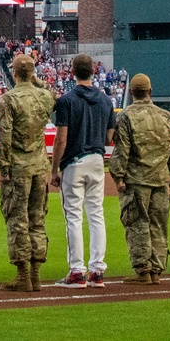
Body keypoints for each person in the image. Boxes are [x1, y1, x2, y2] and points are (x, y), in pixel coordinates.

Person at [0, 53, 56, 293]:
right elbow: (54, 96)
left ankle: (23, 275)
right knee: (37, 219)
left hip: (18, 168)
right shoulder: (44, 97)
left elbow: (3, 138)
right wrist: (37, 81)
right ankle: (36, 275)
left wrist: (3, 168)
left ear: (14, 73)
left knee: (18, 220)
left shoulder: (8, 99)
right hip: (40, 167)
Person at [111, 74, 170, 285]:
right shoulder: (166, 116)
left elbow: (121, 151)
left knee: (138, 225)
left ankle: (143, 271)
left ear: (131, 93)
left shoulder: (125, 116)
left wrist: (118, 176)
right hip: (160, 179)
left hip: (136, 181)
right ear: (150, 91)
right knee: (159, 226)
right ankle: (157, 270)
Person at [52, 53, 114, 287]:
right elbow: (110, 137)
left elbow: (61, 139)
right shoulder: (106, 100)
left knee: (74, 217)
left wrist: (53, 170)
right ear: (93, 71)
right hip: (97, 159)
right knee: (96, 214)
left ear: (72, 71)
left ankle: (77, 272)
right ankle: (97, 271)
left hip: (74, 161)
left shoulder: (66, 100)